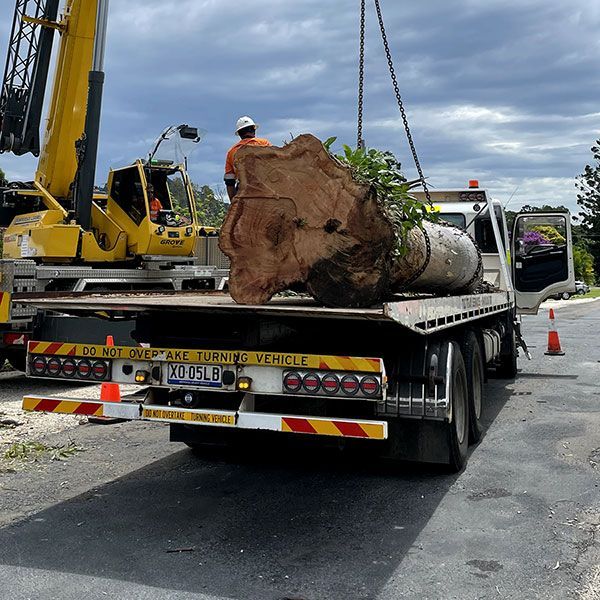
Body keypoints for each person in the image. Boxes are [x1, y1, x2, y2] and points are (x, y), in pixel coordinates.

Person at [224, 116, 271, 200]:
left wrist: (234, 204)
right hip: (266, 190)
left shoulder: (231, 152)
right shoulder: (264, 144)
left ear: (239, 134)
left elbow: (229, 182)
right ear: (253, 130)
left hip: (243, 193)